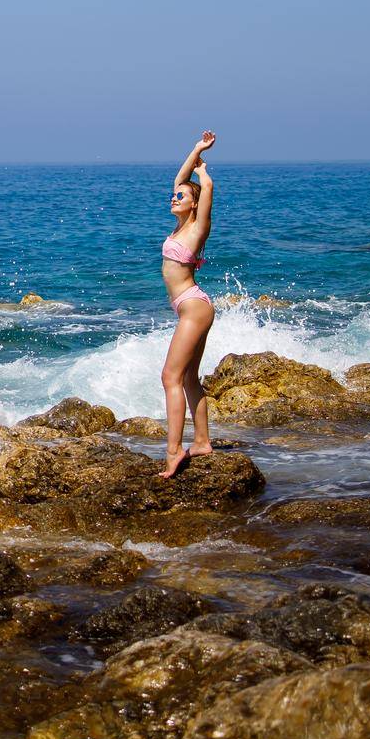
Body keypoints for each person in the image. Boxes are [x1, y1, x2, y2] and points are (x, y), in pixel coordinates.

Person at [159, 130, 216, 478]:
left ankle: (173, 450)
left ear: (193, 203)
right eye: (174, 195)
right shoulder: (180, 228)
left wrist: (203, 173)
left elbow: (202, 189)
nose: (175, 196)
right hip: (188, 306)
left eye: (181, 196)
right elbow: (180, 179)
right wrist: (196, 149)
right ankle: (203, 442)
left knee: (170, 377)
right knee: (190, 378)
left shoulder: (197, 229)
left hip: (194, 306)